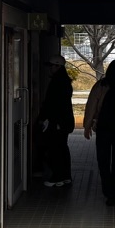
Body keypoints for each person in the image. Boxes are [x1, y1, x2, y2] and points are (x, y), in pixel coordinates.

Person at [83, 59, 115, 205]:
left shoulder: (101, 85)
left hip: (104, 128)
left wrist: (87, 126)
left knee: (103, 160)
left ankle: (108, 190)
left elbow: (91, 105)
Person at [38, 54, 75, 187]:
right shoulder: (64, 81)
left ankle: (57, 176)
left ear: (58, 66)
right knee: (62, 147)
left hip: (58, 121)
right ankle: (65, 176)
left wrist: (45, 118)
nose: (50, 68)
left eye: (52, 66)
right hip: (63, 121)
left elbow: (53, 103)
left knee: (54, 148)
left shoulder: (57, 82)